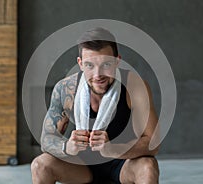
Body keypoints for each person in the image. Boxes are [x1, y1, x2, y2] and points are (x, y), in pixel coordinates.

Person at [31, 27, 159, 184]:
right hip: (81, 167)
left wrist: (113, 149)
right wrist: (67, 147)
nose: (98, 75)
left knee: (147, 166)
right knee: (40, 165)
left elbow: (153, 144)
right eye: (90, 65)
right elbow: (46, 139)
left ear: (117, 61)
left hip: (123, 164)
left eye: (106, 64)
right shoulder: (66, 89)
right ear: (80, 64)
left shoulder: (134, 86)